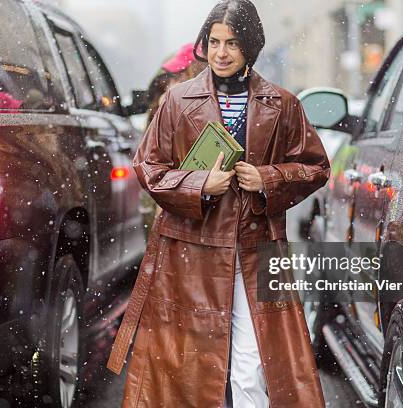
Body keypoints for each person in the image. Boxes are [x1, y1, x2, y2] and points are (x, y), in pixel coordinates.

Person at [107, 1, 329, 407]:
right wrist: (199, 185)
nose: (221, 52)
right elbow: (149, 167)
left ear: (251, 47)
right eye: (214, 42)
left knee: (250, 366)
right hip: (190, 251)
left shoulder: (282, 104)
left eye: (232, 43)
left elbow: (315, 167)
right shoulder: (177, 100)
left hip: (254, 248)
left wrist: (269, 178)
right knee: (189, 371)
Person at [139, 43, 207, 239]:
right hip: (163, 210)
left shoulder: (201, 114)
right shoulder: (165, 105)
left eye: (178, 77)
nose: (169, 85)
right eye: (170, 79)